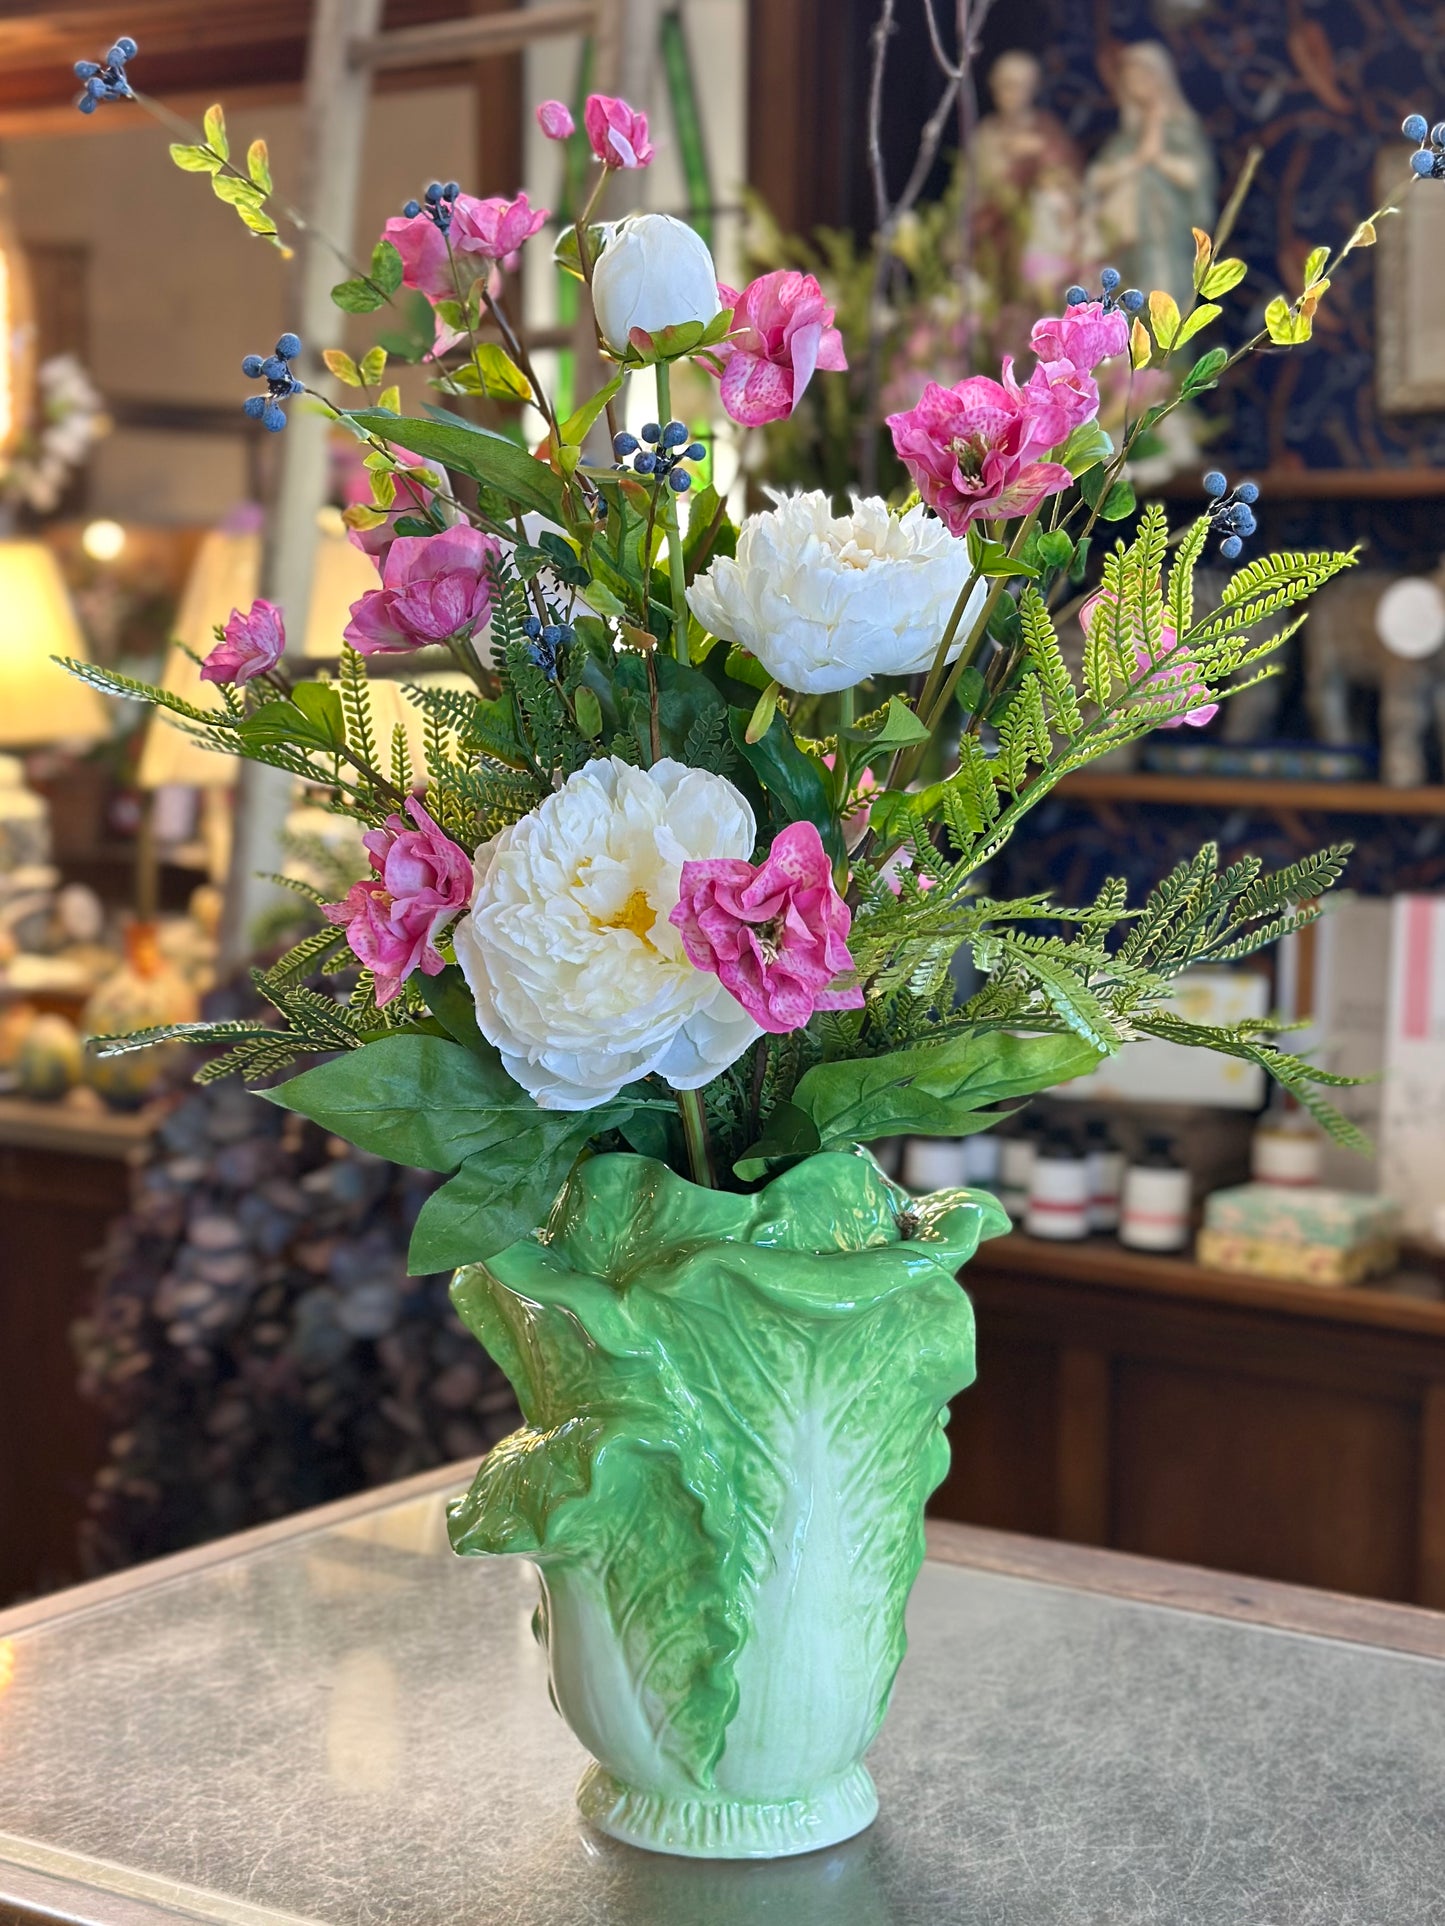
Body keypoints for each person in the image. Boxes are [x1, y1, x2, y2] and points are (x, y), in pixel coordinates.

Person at [1083, 40, 1216, 305]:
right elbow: (1095, 178)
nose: (1137, 85)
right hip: (1122, 244)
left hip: (1164, 238)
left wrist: (1156, 159)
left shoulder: (1181, 128)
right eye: (1130, 79)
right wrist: (1135, 162)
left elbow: (1194, 176)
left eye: (1144, 76)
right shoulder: (1126, 138)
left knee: (1162, 310)